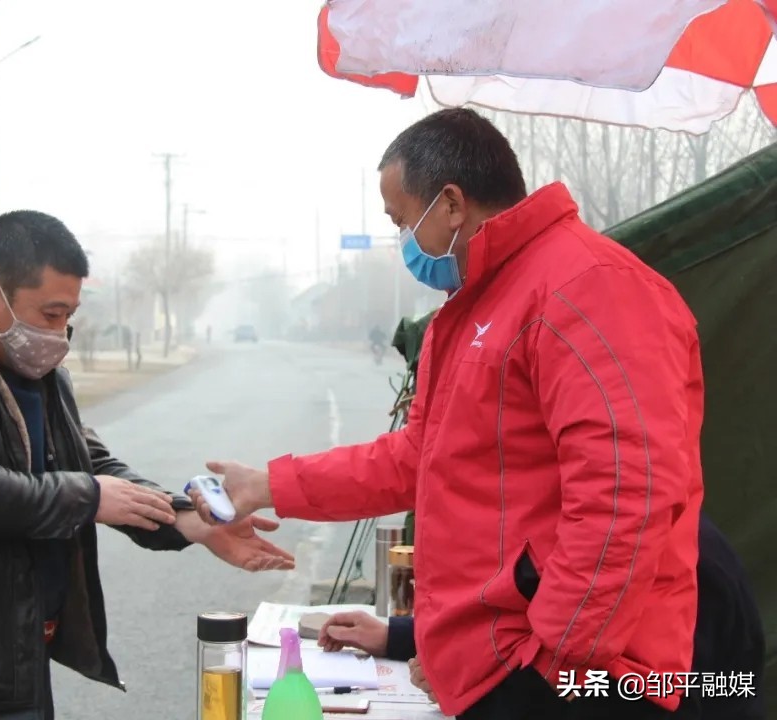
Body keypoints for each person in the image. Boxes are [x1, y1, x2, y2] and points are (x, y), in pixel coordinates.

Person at [190, 109, 704, 719]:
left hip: (581, 675)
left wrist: (545, 664)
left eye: (403, 220)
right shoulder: (481, 303)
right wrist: (268, 485)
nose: (404, 241)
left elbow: (623, 495)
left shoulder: (590, 287)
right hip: (507, 661)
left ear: (452, 205)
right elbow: (418, 458)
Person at [0, 210, 295, 720]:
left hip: (19, 659)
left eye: (69, 316)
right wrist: (91, 497)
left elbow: (93, 463)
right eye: (50, 314)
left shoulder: (39, 372)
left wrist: (185, 519)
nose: (60, 333)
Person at [318, 513, 765, 719]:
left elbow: (662, 696)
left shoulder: (672, 562)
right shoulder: (576, 532)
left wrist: (483, 688)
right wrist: (400, 637)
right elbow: (526, 620)